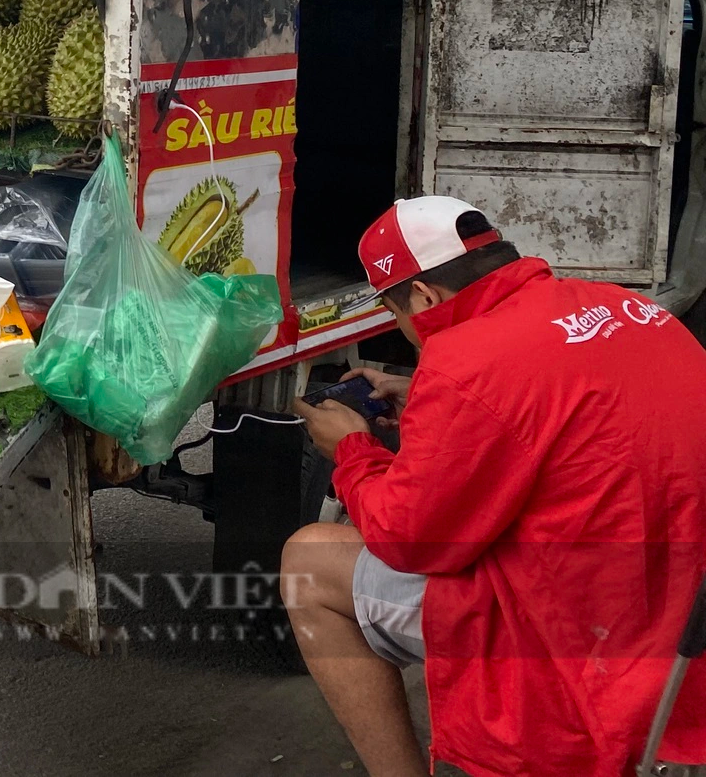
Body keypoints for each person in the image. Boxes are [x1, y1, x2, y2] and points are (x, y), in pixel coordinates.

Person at [284, 196, 706, 777]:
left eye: (395, 312)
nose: (403, 329)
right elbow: (558, 410)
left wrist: (351, 451)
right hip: (686, 614)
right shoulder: (625, 307)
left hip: (590, 642)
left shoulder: (466, 362)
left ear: (425, 298)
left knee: (307, 560)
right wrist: (421, 393)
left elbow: (410, 541)